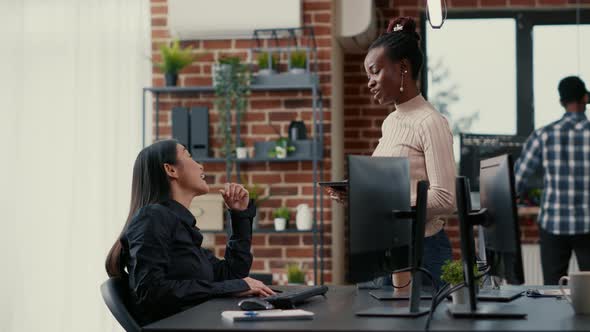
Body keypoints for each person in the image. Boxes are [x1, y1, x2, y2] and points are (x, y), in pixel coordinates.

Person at [326, 17, 456, 289]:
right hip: (386, 249)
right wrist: (360, 196)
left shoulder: (431, 122)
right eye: (367, 76)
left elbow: (445, 199)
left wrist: (384, 204)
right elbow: (392, 190)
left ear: (403, 68)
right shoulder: (392, 122)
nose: (370, 82)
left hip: (423, 252)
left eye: (375, 72)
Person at [105, 139, 275, 325]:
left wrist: (239, 215)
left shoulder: (179, 225)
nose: (200, 166)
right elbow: (151, 292)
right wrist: (232, 287)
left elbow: (232, 273)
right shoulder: (152, 218)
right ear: (171, 170)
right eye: (189, 156)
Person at [515, 76, 590, 285]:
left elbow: (516, 179)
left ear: (561, 102)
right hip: (588, 224)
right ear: (586, 98)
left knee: (553, 291)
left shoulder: (544, 135)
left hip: (553, 224)